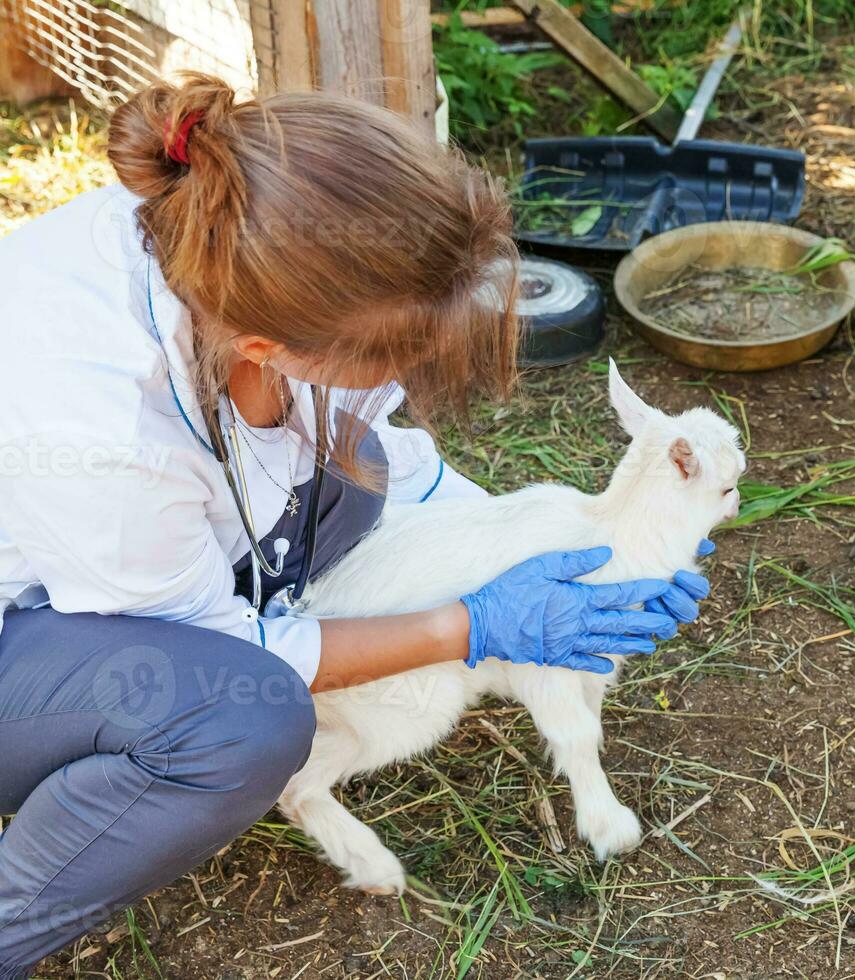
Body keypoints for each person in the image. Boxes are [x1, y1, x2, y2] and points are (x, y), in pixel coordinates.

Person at [0, 74, 709, 977]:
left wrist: (537, 544)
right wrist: (475, 623)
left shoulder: (236, 231)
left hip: (132, 555)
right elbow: (220, 646)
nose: (407, 374)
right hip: (24, 634)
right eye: (392, 357)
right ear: (265, 348)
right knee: (238, 720)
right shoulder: (97, 427)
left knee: (361, 472)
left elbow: (387, 457)